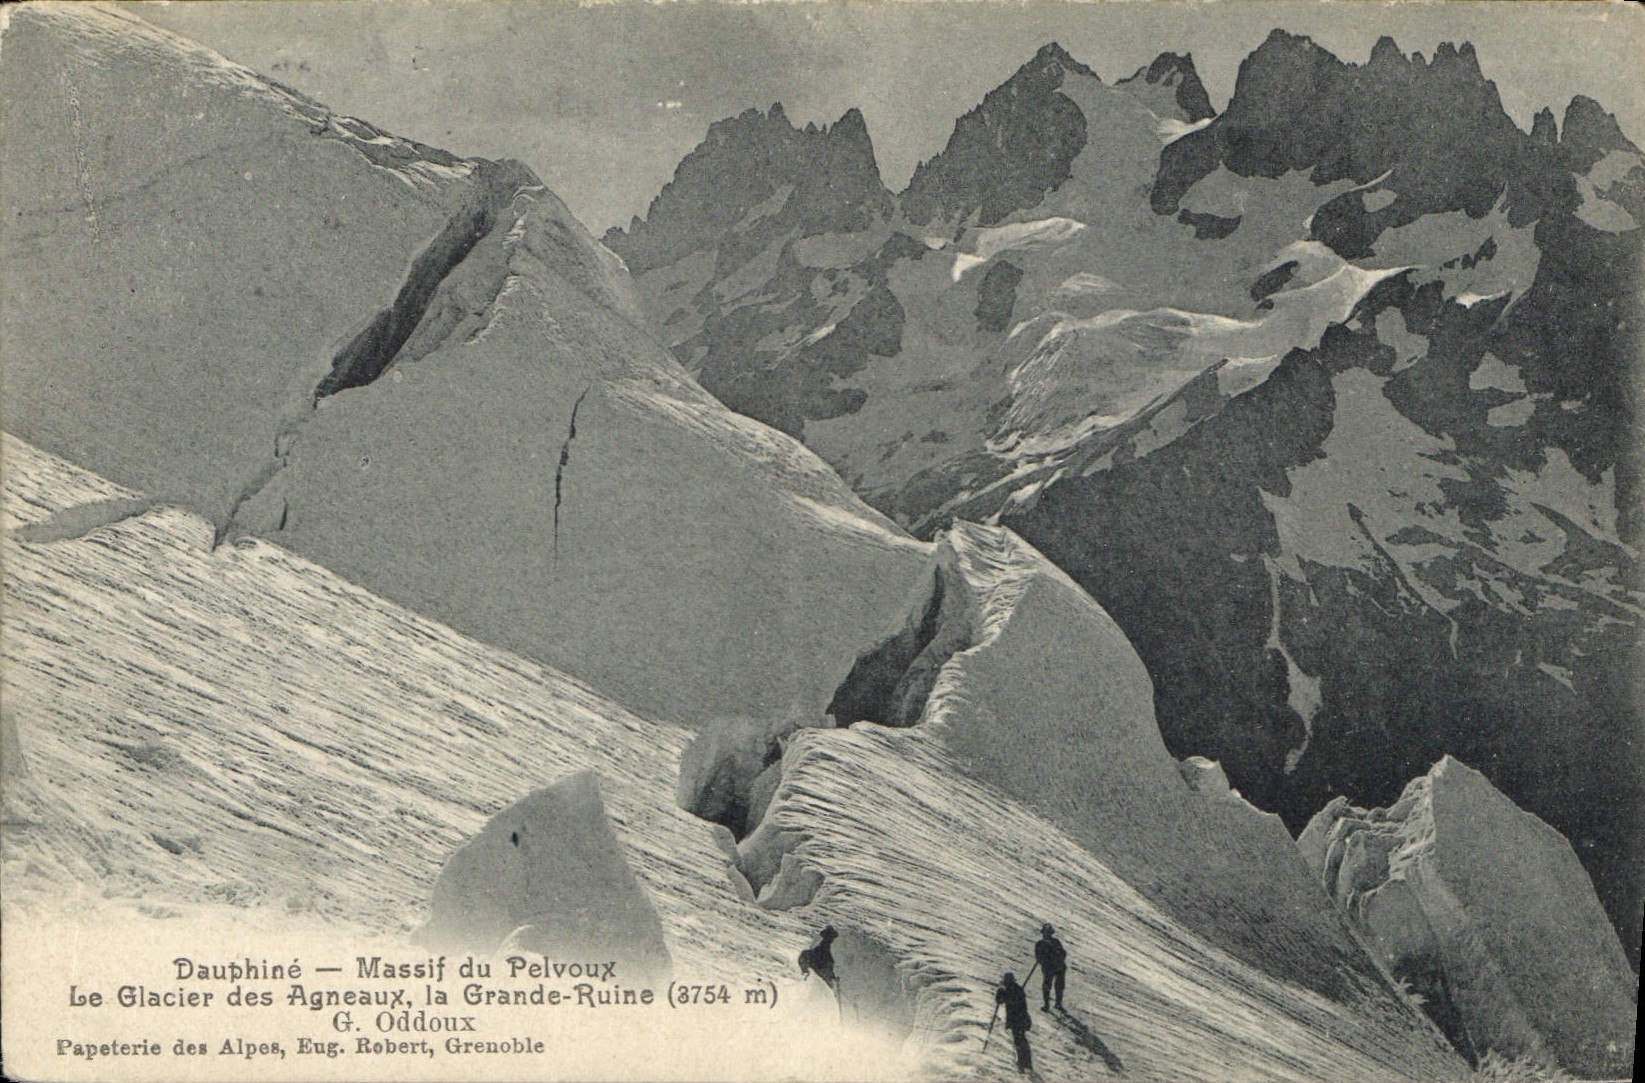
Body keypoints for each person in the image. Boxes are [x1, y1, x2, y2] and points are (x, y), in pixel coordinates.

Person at [996, 971, 1033, 1074]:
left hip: (1018, 1019)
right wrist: (1000, 992)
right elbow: (999, 1000)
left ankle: (1023, 1062)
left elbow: (1008, 1000)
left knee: (1019, 1040)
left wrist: (1001, 992)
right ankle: (1025, 1061)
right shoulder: (1014, 989)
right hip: (1019, 1019)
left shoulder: (1015, 990)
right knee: (1020, 1039)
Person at [1035, 924, 1066, 1011]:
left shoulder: (1056, 942)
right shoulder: (1040, 944)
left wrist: (1057, 953)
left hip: (1059, 967)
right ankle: (1046, 1004)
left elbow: (1063, 953)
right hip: (1048, 968)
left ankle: (1058, 1003)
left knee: (1059, 986)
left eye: (1049, 933)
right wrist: (1045, 959)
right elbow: (1038, 958)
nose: (1047, 934)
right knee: (1046, 986)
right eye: (1046, 933)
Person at [799, 925, 839, 990]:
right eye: (831, 937)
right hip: (820, 975)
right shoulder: (823, 948)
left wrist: (832, 975)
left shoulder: (824, 947)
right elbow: (824, 964)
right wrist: (831, 975)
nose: (832, 939)